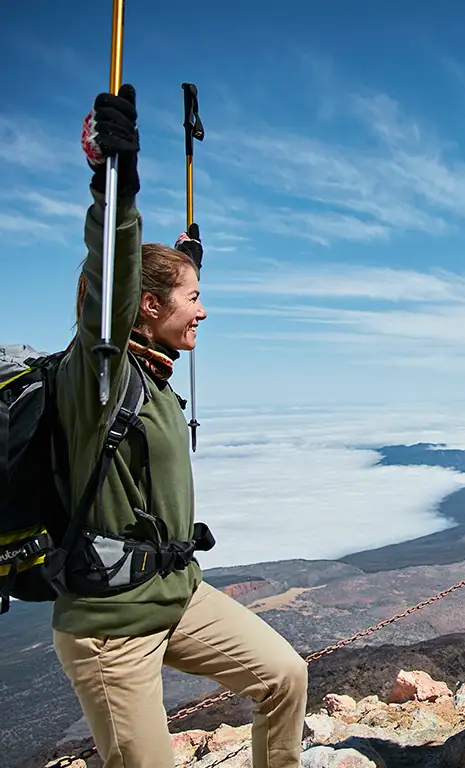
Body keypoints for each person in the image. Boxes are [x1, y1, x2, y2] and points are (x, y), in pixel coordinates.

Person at [52, 84, 308, 768]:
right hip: (111, 627)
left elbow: (152, 293)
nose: (204, 312)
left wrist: (187, 258)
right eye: (193, 299)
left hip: (174, 594)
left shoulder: (153, 375)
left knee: (285, 675)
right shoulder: (100, 376)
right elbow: (109, 278)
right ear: (143, 305)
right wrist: (116, 191)